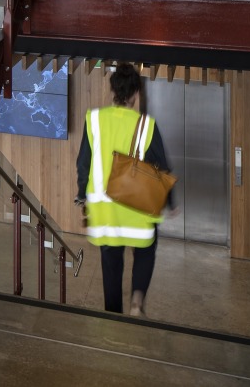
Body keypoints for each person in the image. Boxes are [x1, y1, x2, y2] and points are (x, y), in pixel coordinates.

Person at [75, 62, 175, 317]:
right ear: (135, 94)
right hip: (137, 208)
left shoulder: (94, 119)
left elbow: (84, 163)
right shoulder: (146, 125)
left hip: (104, 210)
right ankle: (137, 299)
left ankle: (112, 317)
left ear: (113, 91)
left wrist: (81, 195)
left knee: (111, 265)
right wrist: (170, 202)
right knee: (146, 251)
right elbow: (162, 168)